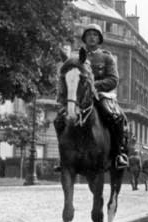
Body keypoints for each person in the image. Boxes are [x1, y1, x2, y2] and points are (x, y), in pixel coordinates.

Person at [54, 24, 129, 169]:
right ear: (84, 38)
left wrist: (94, 85)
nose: (92, 37)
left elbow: (113, 80)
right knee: (59, 119)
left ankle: (119, 153)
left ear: (99, 38)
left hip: (99, 96)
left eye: (95, 35)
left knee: (117, 117)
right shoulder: (76, 57)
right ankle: (62, 156)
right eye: (89, 35)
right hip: (79, 96)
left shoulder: (107, 57)